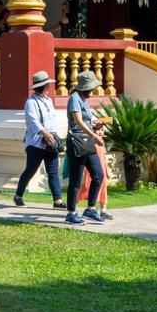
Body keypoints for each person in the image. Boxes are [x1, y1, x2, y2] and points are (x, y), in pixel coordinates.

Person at [13, 71, 64, 208]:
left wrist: (52, 135)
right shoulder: (31, 102)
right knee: (30, 170)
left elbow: (52, 120)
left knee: (53, 171)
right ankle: (18, 195)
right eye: (48, 84)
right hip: (35, 143)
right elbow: (32, 120)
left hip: (50, 141)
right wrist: (44, 133)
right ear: (44, 85)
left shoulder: (48, 101)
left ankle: (57, 200)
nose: (49, 86)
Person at [64, 70, 107, 225]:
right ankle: (71, 213)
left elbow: (87, 120)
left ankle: (90, 209)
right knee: (75, 179)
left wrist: (96, 124)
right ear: (84, 87)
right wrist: (94, 135)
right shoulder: (74, 98)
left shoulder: (84, 99)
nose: (93, 90)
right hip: (77, 142)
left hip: (87, 142)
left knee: (98, 175)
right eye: (91, 88)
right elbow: (78, 121)